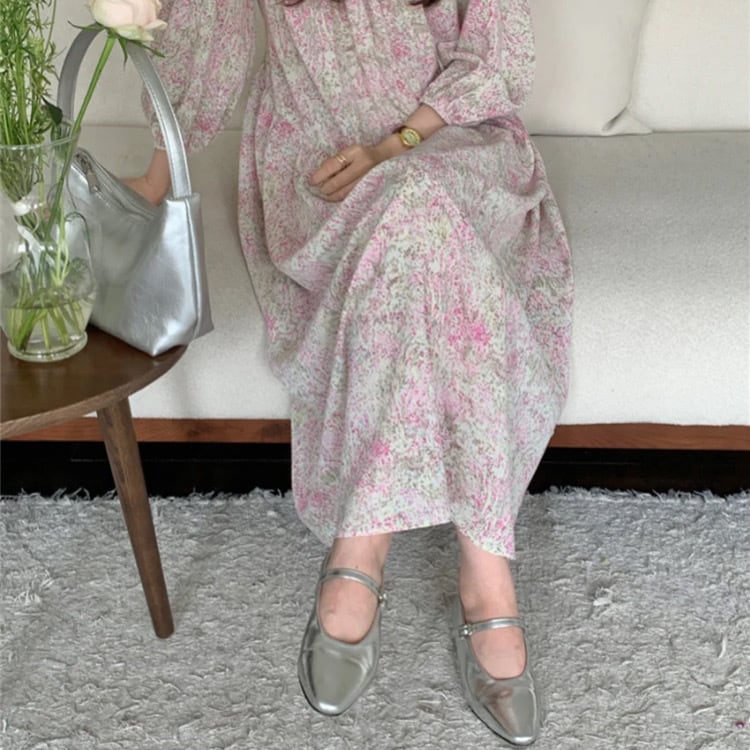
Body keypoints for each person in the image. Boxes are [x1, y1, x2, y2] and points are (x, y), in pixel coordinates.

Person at [128, 0, 573, 743]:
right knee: (412, 219)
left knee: (420, 203)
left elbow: (499, 50)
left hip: (448, 144)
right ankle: (481, 572)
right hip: (318, 159)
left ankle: (396, 548)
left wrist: (396, 143)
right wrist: (156, 173)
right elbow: (212, 29)